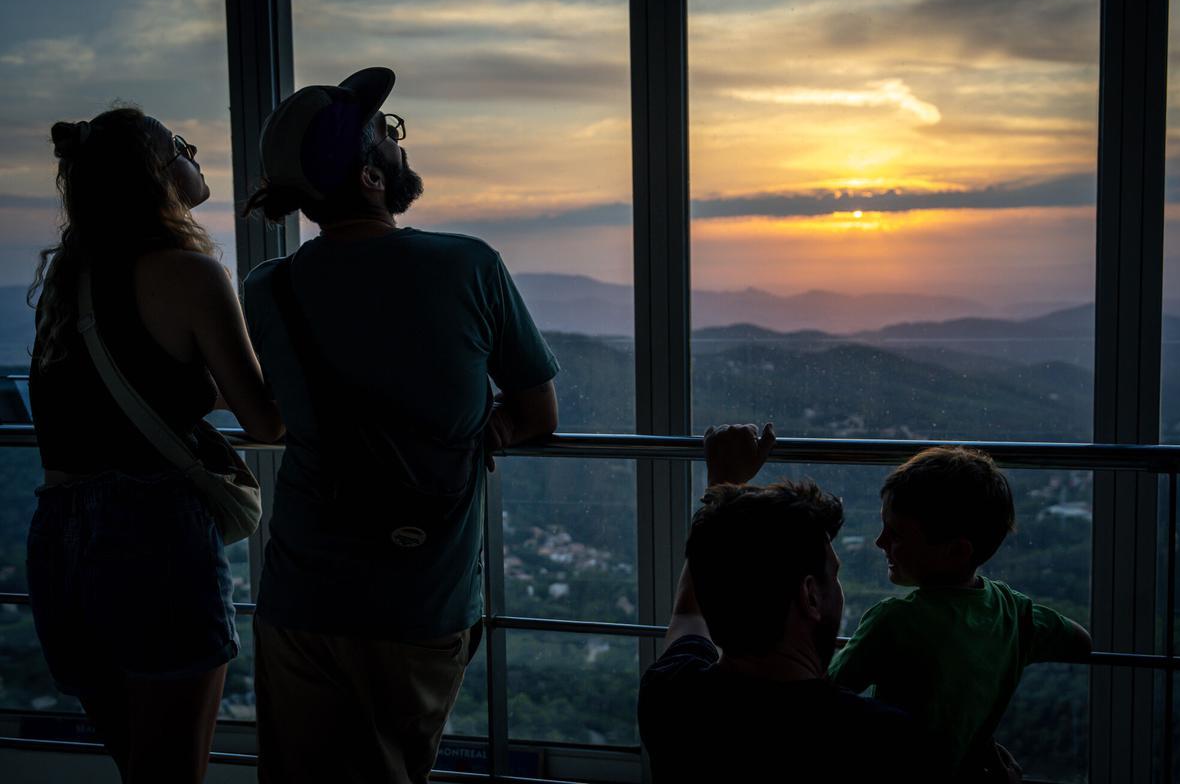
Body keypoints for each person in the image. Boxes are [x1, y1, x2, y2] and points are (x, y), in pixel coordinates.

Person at [240, 67, 560, 784]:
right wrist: (482, 435)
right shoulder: (469, 265)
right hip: (419, 598)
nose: (397, 140)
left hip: (299, 597)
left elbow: (283, 409)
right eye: (386, 134)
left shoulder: (270, 290)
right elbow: (538, 413)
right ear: (371, 178)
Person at [26, 106, 284, 783]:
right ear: (157, 169)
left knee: (137, 762)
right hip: (152, 533)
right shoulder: (189, 273)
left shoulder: (69, 281)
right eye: (182, 145)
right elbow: (266, 423)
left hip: (58, 534)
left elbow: (130, 385)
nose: (196, 154)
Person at [638, 423, 932, 782]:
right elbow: (691, 608)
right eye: (834, 575)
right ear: (810, 595)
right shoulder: (883, 740)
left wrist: (722, 495)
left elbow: (687, 612)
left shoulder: (669, 697)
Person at [829, 446, 1094, 780]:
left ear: (956, 551)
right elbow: (1081, 642)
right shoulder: (1013, 611)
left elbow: (826, 697)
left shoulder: (894, 620)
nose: (880, 542)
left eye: (896, 533)